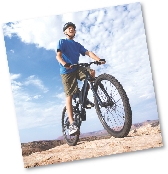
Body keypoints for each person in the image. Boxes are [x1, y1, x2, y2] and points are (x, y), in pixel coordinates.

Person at [56, 22, 105, 135]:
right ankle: (72, 124)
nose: (71, 29)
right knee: (69, 95)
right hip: (66, 70)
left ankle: (83, 98)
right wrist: (64, 63)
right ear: (65, 32)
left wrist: (98, 59)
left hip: (76, 68)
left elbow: (88, 52)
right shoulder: (62, 42)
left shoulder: (77, 45)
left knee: (91, 73)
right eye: (69, 28)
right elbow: (58, 55)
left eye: (73, 28)